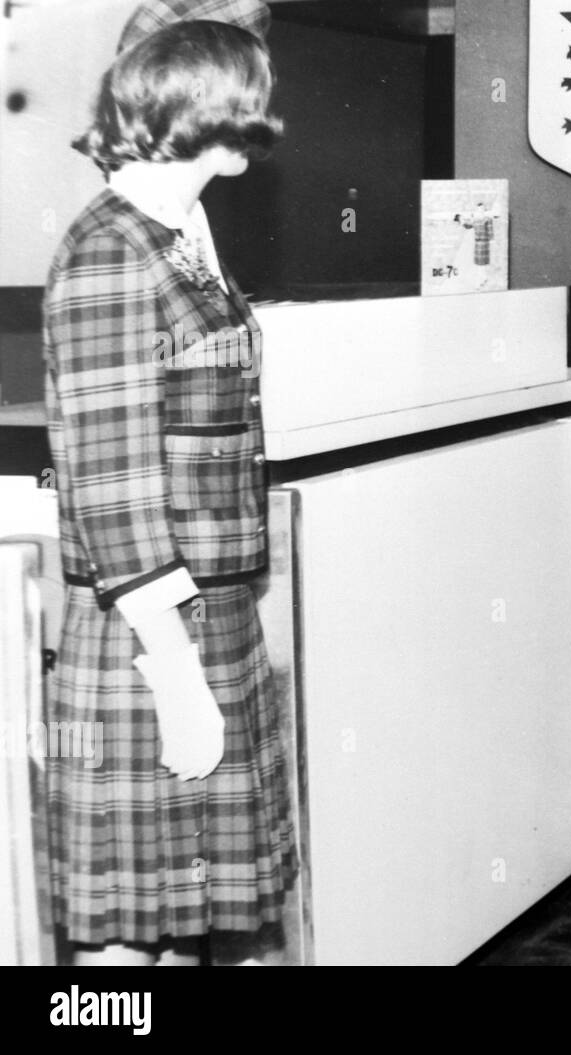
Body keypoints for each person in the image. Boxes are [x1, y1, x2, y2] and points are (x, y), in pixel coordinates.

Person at [42, 0, 294, 964]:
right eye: (257, 99)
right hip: (149, 630)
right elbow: (109, 482)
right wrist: (177, 677)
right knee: (120, 949)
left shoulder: (180, 227)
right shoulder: (112, 249)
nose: (268, 124)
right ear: (215, 109)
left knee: (182, 924)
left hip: (206, 609)